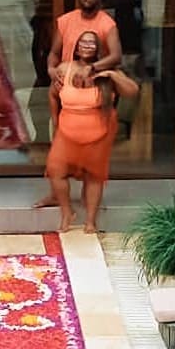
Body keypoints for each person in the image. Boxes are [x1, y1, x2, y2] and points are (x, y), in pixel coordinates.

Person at [44, 47, 128, 232]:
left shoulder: (108, 73)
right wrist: (55, 121)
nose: (87, 46)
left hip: (98, 135)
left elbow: (132, 91)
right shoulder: (65, 68)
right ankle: (67, 212)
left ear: (99, 48)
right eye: (83, 42)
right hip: (67, 132)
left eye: (91, 43)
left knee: (94, 176)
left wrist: (111, 75)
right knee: (55, 169)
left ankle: (90, 221)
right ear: (76, 48)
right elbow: (52, 94)